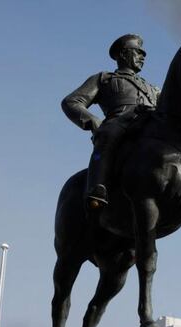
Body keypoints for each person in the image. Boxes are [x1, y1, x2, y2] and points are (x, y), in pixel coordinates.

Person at [62, 33, 159, 209]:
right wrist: (91, 120)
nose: (142, 57)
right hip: (120, 123)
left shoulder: (152, 88)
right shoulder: (105, 79)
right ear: (123, 54)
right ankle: (96, 188)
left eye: (143, 54)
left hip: (150, 124)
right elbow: (71, 101)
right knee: (107, 134)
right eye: (137, 52)